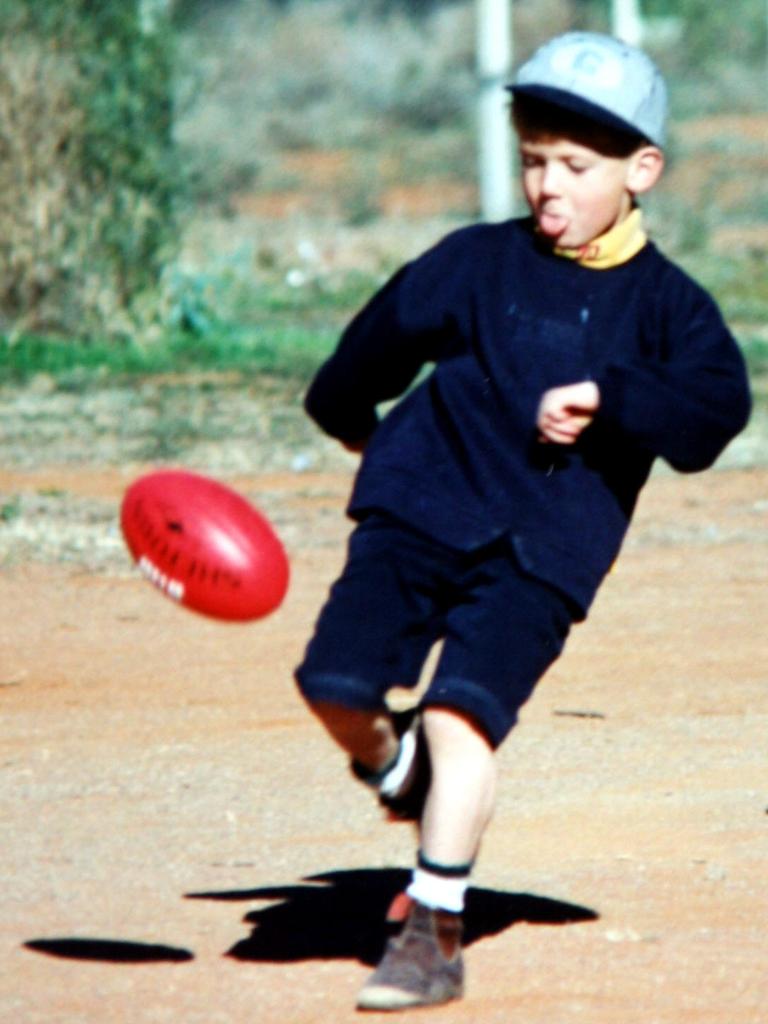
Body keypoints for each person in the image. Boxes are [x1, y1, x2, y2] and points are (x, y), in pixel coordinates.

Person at [294, 31, 751, 1011]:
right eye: (535, 158)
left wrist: (615, 399)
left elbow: (718, 412)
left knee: (462, 717)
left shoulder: (671, 309)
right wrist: (349, 417)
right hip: (417, 510)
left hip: (543, 551)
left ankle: (430, 933)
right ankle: (396, 762)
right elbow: (376, 342)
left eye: (576, 167)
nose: (549, 184)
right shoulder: (475, 262)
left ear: (642, 170)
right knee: (334, 685)